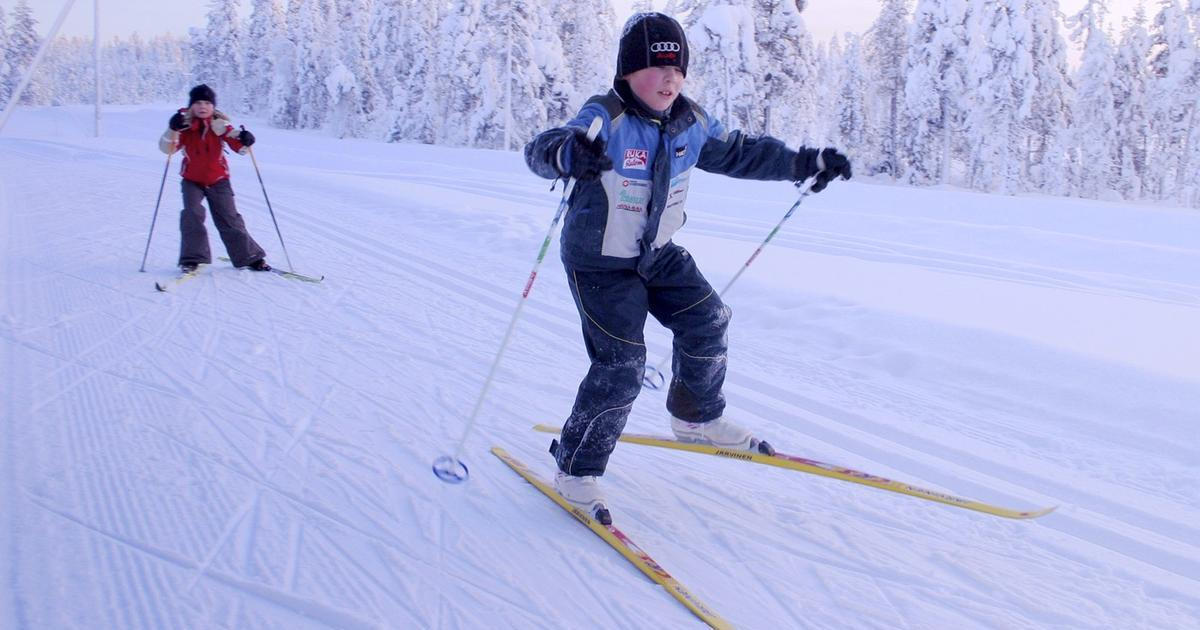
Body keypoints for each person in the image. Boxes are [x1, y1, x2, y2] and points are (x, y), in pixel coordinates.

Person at [523, 12, 852, 523]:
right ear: (628, 73)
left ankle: (695, 416)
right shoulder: (604, 117)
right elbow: (545, 147)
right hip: (601, 262)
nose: (669, 79)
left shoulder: (690, 122)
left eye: (677, 69)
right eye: (656, 68)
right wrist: (566, 153)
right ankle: (575, 468)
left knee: (708, 319)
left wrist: (804, 163)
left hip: (657, 253)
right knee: (622, 365)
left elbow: (740, 153)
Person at [158, 84, 271, 274]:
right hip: (191, 180)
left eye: (207, 103)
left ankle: (250, 257)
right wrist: (172, 129)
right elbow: (166, 149)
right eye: (199, 102)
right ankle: (192, 259)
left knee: (229, 218)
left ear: (213, 106)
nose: (203, 106)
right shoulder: (183, 125)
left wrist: (245, 139)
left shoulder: (219, 124)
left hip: (218, 179)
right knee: (192, 214)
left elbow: (239, 145)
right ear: (192, 105)